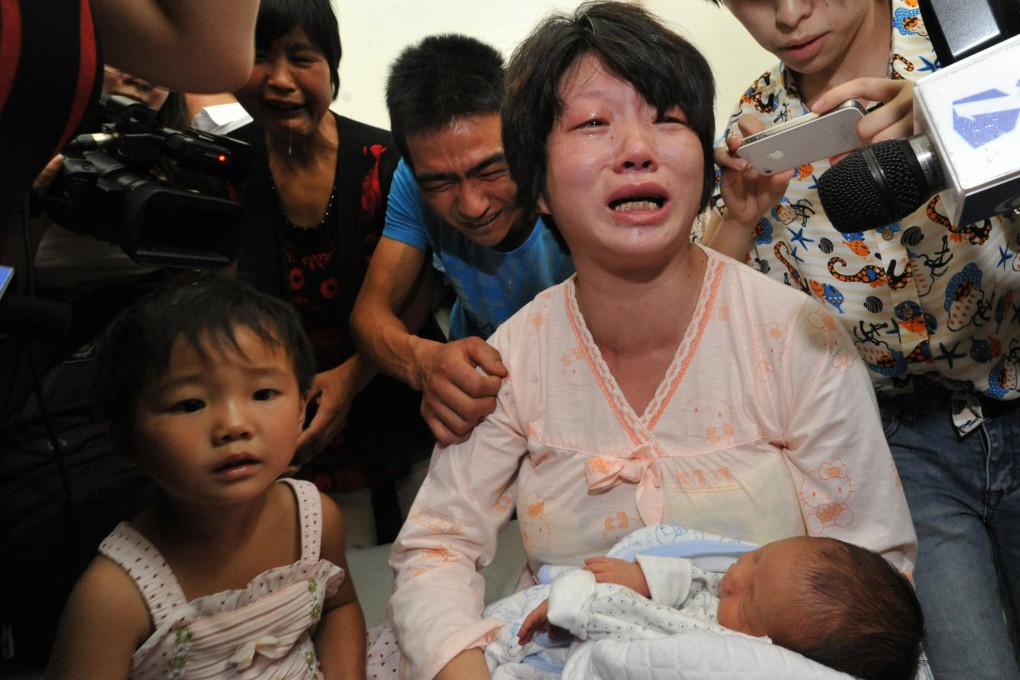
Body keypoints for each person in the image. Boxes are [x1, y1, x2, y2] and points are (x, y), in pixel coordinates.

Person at [378, 4, 916, 679]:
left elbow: (871, 567)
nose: (637, 149)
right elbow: (437, 548)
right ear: (536, 183)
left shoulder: (797, 340)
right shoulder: (512, 360)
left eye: (668, 118)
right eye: (593, 123)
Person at [701, 1, 1020, 677]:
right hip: (900, 451)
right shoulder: (758, 128)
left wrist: (968, 116)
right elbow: (709, 317)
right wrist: (737, 217)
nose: (790, 13)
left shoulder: (975, 40)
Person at [43, 277, 365, 679]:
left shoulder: (315, 519)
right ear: (126, 442)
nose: (233, 425)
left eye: (263, 394)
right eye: (191, 403)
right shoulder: (113, 596)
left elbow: (339, 608)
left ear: (303, 408)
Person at [229, 0, 435, 543]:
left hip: (395, 398)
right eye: (257, 58)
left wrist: (350, 379)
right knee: (331, 579)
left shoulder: (386, 160)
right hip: (288, 432)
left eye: (301, 58)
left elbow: (421, 287)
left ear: (331, 66)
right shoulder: (217, 168)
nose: (278, 81)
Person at [349, 34, 575, 447]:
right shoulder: (409, 182)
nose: (471, 207)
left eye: (491, 171)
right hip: (485, 407)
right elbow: (368, 318)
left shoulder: (568, 172)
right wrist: (426, 362)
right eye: (440, 183)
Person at [505, 531, 923, 680]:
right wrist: (645, 576)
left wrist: (573, 605)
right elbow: (700, 579)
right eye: (757, 558)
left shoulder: (719, 650)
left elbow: (638, 623)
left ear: (768, 649)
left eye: (746, 603)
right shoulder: (742, 595)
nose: (733, 580)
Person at [0, 0, 259, 224]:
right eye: (123, 57)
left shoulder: (192, 163)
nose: (142, 79)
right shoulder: (26, 144)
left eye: (161, 68)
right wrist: (28, 208)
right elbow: (8, 279)